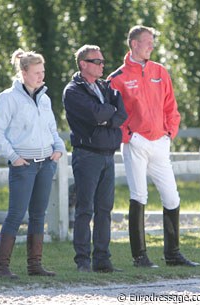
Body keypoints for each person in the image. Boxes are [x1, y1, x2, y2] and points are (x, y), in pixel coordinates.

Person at [108, 25, 199, 268]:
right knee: (139, 196)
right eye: (148, 42)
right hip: (135, 145)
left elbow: (172, 108)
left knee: (172, 196)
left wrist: (169, 133)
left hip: (160, 143)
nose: (152, 46)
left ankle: (173, 254)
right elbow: (113, 117)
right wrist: (129, 136)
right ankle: (140, 257)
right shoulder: (116, 78)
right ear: (134, 44)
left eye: (152, 42)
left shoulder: (161, 71)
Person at [0, 48, 65, 279]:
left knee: (38, 215)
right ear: (23, 72)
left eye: (43, 72)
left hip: (45, 165)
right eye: (36, 73)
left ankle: (35, 266)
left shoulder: (44, 98)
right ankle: (2, 268)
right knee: (16, 215)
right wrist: (14, 157)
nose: (41, 77)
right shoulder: (7, 98)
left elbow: (51, 129)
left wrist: (59, 148)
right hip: (23, 166)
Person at [63, 45, 127, 272]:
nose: (102, 65)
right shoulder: (73, 91)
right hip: (88, 156)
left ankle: (102, 260)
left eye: (102, 61)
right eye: (97, 61)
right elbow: (95, 114)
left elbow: (121, 114)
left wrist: (105, 115)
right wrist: (106, 113)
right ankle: (83, 261)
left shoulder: (104, 86)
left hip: (108, 155)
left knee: (104, 210)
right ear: (83, 64)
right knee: (85, 209)